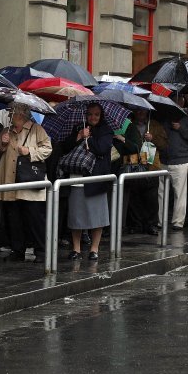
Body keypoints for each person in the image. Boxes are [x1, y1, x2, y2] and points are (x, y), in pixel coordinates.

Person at [0, 105, 52, 262]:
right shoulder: (6, 131)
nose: (10, 114)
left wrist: (30, 151)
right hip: (10, 182)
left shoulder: (36, 129)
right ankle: (17, 250)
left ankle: (41, 252)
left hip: (29, 181)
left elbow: (47, 149)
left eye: (12, 112)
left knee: (34, 219)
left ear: (21, 114)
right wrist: (2, 144)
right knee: (14, 218)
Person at [62, 103, 113, 260]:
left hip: (96, 178)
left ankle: (94, 249)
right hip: (77, 178)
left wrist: (88, 138)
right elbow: (65, 148)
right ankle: (76, 249)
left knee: (97, 216)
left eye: (96, 114)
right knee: (76, 215)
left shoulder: (106, 130)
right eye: (90, 114)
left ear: (101, 115)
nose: (93, 117)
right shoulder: (79, 127)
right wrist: (78, 136)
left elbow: (101, 149)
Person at [159, 94, 188, 230]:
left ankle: (177, 222)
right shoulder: (163, 117)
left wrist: (180, 128)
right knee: (161, 193)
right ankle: (160, 221)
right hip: (164, 159)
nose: (176, 103)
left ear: (182, 102)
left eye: (178, 101)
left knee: (179, 193)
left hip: (181, 160)